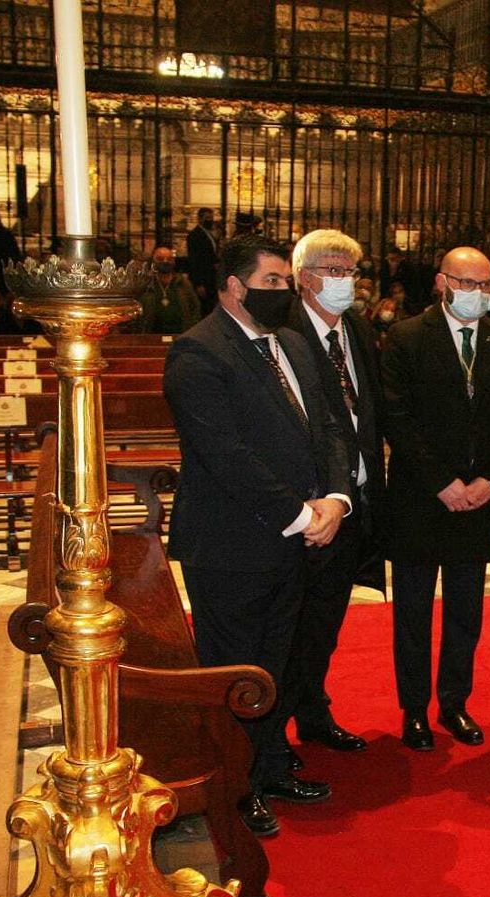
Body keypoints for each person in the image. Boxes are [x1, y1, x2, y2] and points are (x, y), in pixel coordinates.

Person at [163, 235, 353, 838]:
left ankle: (268, 766)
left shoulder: (292, 344)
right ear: (234, 288)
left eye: (284, 283)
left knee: (279, 660)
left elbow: (326, 425)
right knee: (235, 670)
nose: (283, 293)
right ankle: (233, 786)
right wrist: (301, 513)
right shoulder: (198, 352)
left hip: (297, 535)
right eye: (272, 282)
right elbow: (225, 455)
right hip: (232, 547)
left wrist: (335, 499)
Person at [380, 247, 490, 752]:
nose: (477, 294)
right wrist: (440, 482)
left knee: (466, 611)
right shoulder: (405, 338)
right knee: (414, 613)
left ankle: (454, 702)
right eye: (466, 283)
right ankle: (415, 709)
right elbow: (396, 419)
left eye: (486, 285)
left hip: (480, 500)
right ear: (442, 283)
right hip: (421, 499)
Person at [284, 229, 384, 759]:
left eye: (351, 271)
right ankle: (274, 728)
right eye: (333, 270)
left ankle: (314, 710)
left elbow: (368, 414)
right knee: (293, 624)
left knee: (327, 620)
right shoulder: (284, 332)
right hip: (310, 507)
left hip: (356, 503)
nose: (346, 281)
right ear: (304, 278)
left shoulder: (358, 333)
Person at [135, 245, 201, 334]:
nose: (165, 262)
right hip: (150, 336)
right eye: (160, 259)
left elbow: (195, 309)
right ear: (153, 261)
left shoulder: (184, 284)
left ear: (174, 261)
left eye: (169, 259)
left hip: (180, 335)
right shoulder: (145, 284)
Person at [186, 207, 219, 311]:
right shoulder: (195, 235)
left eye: (211, 217)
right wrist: (198, 283)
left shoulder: (209, 234)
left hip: (211, 278)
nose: (210, 220)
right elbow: (194, 260)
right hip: (203, 278)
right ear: (200, 219)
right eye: (207, 218)